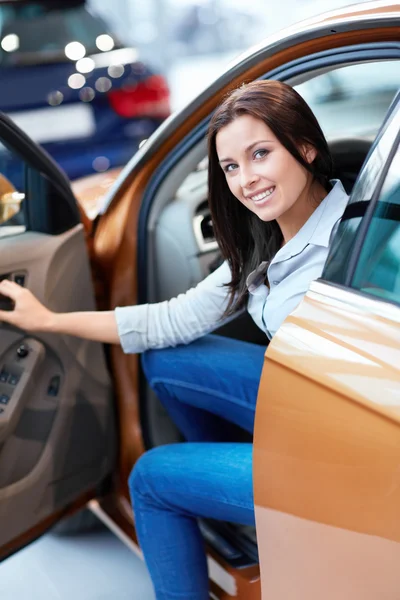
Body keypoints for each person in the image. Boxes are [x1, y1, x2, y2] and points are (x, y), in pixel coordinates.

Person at [0, 80, 349, 599]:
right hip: (305, 403)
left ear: (304, 147)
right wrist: (48, 320)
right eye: (231, 166)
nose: (246, 180)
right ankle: (232, 499)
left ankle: (234, 495)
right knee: (164, 358)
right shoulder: (272, 239)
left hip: (339, 455)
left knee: (150, 480)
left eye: (260, 154)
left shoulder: (347, 249)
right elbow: (171, 320)